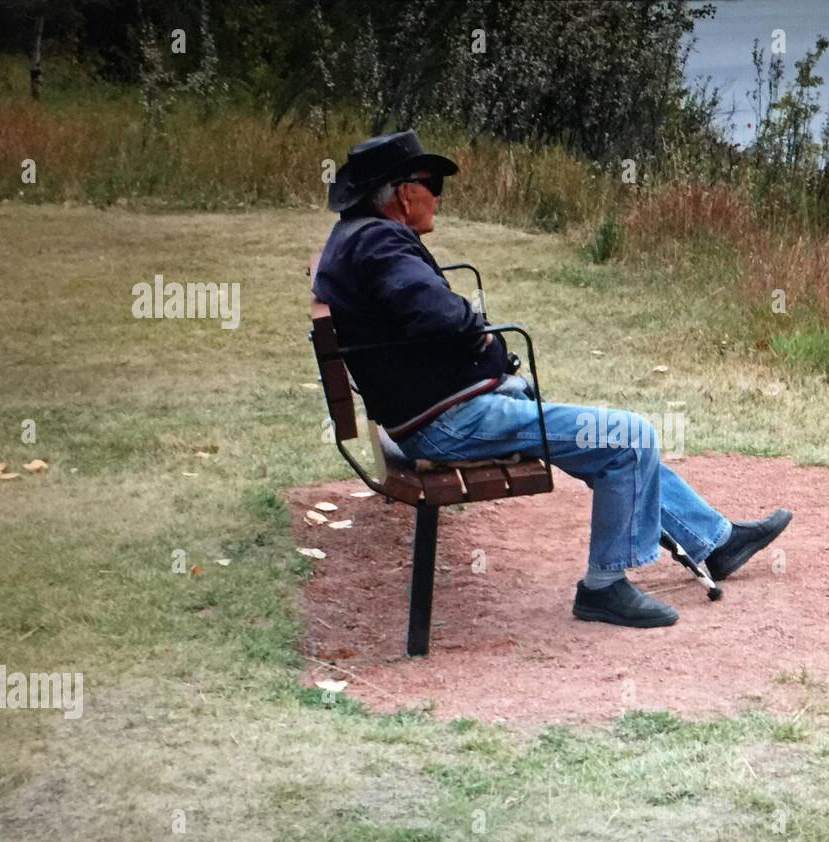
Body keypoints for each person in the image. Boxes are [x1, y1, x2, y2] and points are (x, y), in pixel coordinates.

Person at [313, 131, 792, 628]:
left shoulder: (358, 236)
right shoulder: (381, 244)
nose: (437, 195)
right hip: (449, 422)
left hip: (435, 409)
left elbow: (418, 313)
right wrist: (476, 328)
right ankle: (603, 588)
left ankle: (712, 541)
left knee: (604, 440)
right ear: (400, 192)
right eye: (430, 183)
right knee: (628, 439)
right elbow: (437, 316)